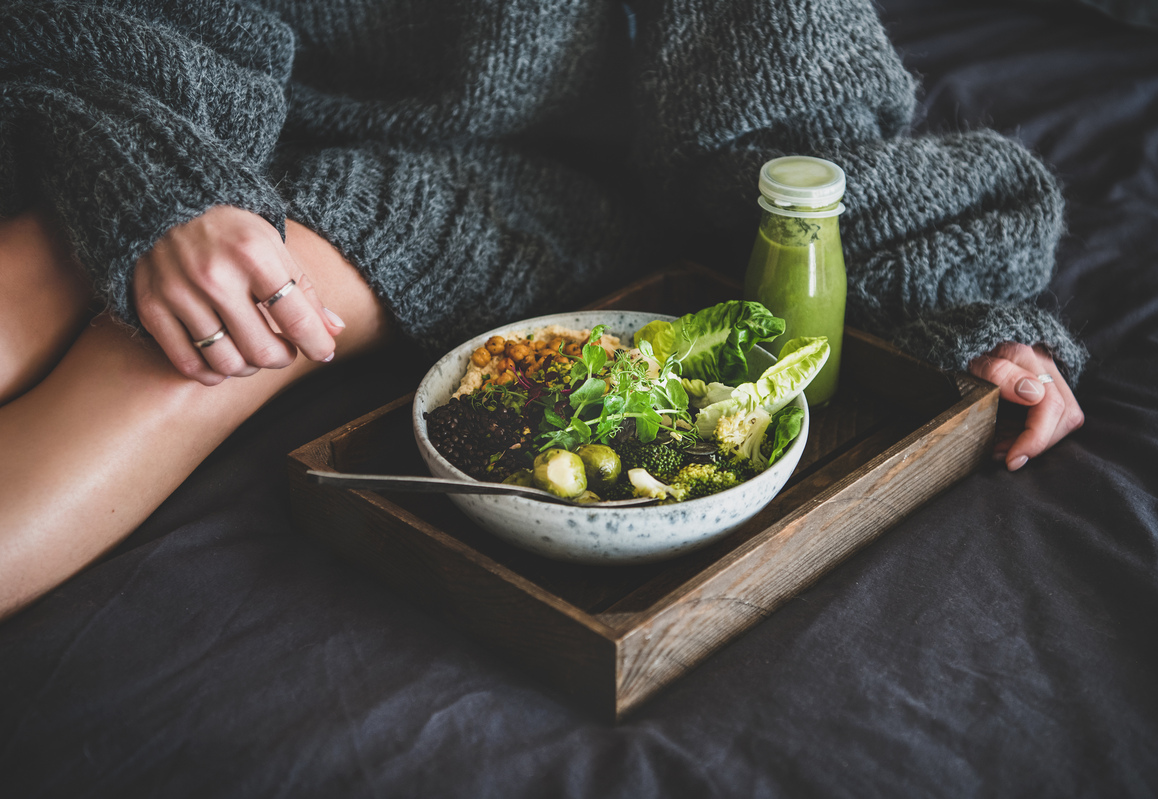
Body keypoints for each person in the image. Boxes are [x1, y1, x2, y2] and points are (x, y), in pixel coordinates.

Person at [0, 0, 1083, 619]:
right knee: (43, 255)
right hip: (196, 96)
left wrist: (959, 307)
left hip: (533, 178)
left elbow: (797, 133)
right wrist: (158, 182)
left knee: (208, 338)